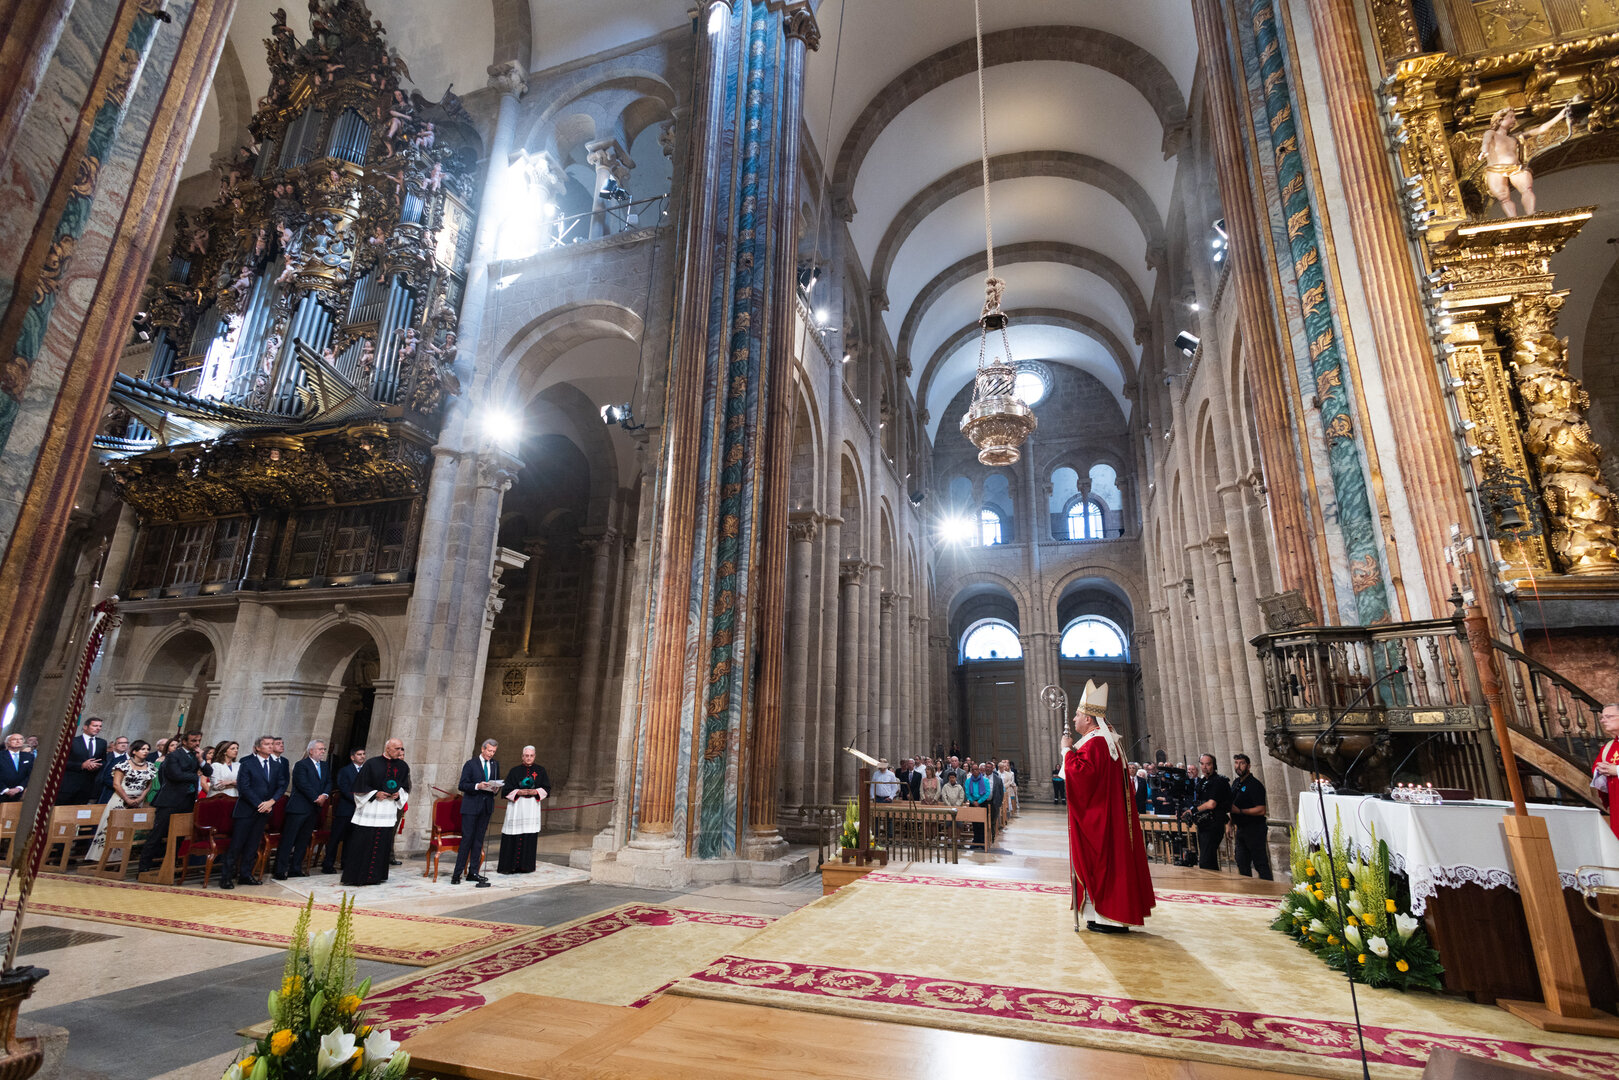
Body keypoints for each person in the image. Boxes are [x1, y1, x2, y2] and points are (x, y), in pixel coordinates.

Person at [1062, 680, 1155, 933]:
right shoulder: (1104, 740)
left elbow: (1082, 778)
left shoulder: (1096, 743)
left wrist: (1066, 752)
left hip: (1100, 818)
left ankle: (1109, 917)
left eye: (1077, 715)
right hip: (1108, 813)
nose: (1074, 719)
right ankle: (1104, 915)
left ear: (1089, 719)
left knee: (1103, 862)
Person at [137, 730, 213, 872]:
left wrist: (201, 760)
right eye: (193, 741)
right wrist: (195, 776)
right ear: (184, 741)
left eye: (198, 741)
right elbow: (175, 775)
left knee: (179, 835)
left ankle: (169, 865)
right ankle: (144, 866)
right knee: (158, 834)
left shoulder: (195, 756)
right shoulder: (174, 755)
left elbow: (209, 772)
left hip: (187, 800)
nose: (197, 744)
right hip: (170, 800)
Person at [1477, 104, 1570, 218]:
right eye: (1511, 117)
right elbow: (1486, 141)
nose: (1514, 120)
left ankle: (1531, 212)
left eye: (1514, 117)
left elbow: (1539, 129)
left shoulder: (1515, 137)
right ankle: (1513, 218)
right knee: (1503, 197)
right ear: (1500, 120)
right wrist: (1484, 151)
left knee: (1527, 188)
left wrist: (1560, 116)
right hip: (1495, 170)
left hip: (1516, 168)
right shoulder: (1491, 133)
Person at [343, 738, 410, 886]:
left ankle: (376, 877)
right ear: (387, 748)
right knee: (363, 844)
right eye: (396, 749)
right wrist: (375, 794)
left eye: (401, 748)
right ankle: (356, 877)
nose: (400, 751)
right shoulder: (372, 763)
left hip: (388, 811)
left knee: (382, 845)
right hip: (371, 810)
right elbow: (360, 787)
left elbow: (405, 787)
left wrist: (398, 795)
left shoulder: (403, 766)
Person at [86, 741, 156, 862]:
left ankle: (120, 860)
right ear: (134, 751)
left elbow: (148, 785)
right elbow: (116, 784)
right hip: (120, 800)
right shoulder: (123, 764)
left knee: (128, 830)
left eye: (147, 749)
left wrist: (140, 799)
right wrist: (127, 799)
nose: (146, 751)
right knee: (111, 828)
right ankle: (101, 858)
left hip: (137, 801)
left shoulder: (150, 766)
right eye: (142, 749)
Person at [221, 738, 276, 888]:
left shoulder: (275, 765)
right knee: (237, 844)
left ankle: (246, 875)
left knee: (253, 845)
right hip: (246, 810)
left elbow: (281, 784)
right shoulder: (247, 763)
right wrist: (260, 804)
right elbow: (244, 787)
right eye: (267, 744)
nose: (270, 746)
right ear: (257, 748)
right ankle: (226, 877)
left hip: (264, 811)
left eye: (272, 744)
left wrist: (271, 801)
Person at [274, 740, 329, 879]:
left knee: (303, 840)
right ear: (311, 751)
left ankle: (296, 868)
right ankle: (280, 869)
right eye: (320, 749)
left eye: (323, 749)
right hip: (299, 808)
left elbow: (329, 782)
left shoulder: (325, 765)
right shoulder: (301, 765)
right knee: (289, 839)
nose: (323, 751)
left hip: (314, 809)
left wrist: (325, 795)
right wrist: (316, 797)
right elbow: (302, 784)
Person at [453, 739, 501, 886]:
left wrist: (496, 789)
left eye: (493, 752)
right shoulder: (470, 764)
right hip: (471, 807)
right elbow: (462, 785)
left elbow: (496, 784)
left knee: (478, 841)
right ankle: (457, 874)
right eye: (489, 751)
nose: (491, 754)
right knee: (467, 839)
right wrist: (477, 786)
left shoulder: (495, 764)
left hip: (486, 807)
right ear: (482, 749)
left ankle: (473, 872)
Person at [497, 745, 549, 874]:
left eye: (531, 756)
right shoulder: (514, 771)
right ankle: (509, 866)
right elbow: (506, 790)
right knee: (513, 834)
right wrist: (518, 792)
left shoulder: (540, 770)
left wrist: (535, 791)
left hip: (532, 807)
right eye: (526, 756)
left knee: (529, 835)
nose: (529, 758)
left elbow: (547, 788)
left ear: (534, 756)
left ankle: (526, 866)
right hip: (517, 807)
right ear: (522, 756)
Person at [1183, 753, 1232, 871]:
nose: (1204, 767)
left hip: (1214, 824)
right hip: (1203, 824)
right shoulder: (1202, 781)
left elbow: (1211, 804)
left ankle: (1212, 882)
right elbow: (1198, 801)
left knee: (1206, 861)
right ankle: (1214, 881)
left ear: (1214, 765)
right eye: (1202, 764)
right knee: (1208, 860)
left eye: (1208, 764)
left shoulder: (1219, 781)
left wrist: (1193, 810)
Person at [1228, 753, 1272, 880]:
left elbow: (1261, 810)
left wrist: (1241, 811)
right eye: (1236, 763)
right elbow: (1232, 805)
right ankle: (1248, 889)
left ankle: (1268, 889)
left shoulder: (1254, 785)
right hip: (1241, 828)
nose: (1238, 766)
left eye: (1242, 763)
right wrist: (1229, 823)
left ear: (1248, 766)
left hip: (1254, 829)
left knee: (1260, 863)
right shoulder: (1236, 783)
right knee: (1241, 862)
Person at [323, 747, 365, 874]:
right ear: (352, 757)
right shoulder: (345, 770)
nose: (362, 756)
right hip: (345, 809)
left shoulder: (366, 771)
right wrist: (360, 800)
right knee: (336, 838)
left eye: (363, 754)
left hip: (359, 811)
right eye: (359, 754)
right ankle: (328, 864)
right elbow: (344, 788)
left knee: (351, 838)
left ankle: (345, 863)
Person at [60, 717, 107, 804]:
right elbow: (62, 762)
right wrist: (81, 765)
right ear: (85, 727)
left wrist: (96, 766)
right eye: (95, 726)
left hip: (87, 786)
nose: (98, 728)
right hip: (69, 786)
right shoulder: (73, 741)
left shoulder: (102, 743)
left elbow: (103, 761)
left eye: (100, 726)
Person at [1591, 703, 1619, 841]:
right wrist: (1600, 771)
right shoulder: (1609, 747)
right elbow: (1596, 770)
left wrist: (1616, 770)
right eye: (1602, 717)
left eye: (1608, 716)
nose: (1603, 721)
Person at [94, 737, 130, 803]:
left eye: (126, 743)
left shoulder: (129, 760)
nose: (123, 745)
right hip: (100, 789)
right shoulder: (105, 756)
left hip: (119, 791)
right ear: (114, 745)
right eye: (120, 743)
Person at [0, 733, 34, 801]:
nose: (18, 741)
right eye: (14, 739)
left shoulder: (28, 756)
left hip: (20, 793)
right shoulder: (1, 755)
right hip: (2, 792)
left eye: (21, 739)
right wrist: (5, 789)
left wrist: (19, 788)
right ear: (7, 743)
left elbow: (30, 774)